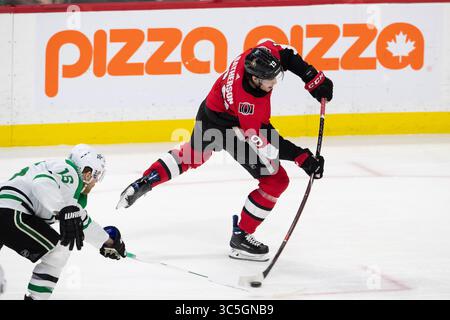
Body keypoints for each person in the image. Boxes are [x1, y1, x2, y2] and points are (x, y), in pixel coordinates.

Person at [117, 40, 333, 262]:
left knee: (191, 155)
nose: (274, 84)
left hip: (210, 110)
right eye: (271, 81)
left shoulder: (258, 55)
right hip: (232, 129)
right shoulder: (248, 105)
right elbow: (267, 138)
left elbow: (286, 56)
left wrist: (313, 79)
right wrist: (302, 157)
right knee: (276, 181)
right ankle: (241, 237)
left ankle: (146, 180)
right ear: (256, 79)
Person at [0, 144, 126, 300]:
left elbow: (78, 218)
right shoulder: (71, 173)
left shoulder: (66, 186)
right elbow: (41, 182)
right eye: (96, 175)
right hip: (10, 211)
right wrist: (61, 209)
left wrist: (107, 241)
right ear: (86, 173)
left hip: (7, 209)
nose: (95, 182)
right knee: (59, 251)